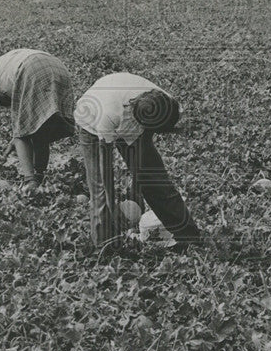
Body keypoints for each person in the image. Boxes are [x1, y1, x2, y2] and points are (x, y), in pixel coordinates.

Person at [74, 72, 202, 251]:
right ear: (138, 119)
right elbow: (106, 168)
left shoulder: (168, 104)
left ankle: (189, 238)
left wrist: (139, 187)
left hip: (123, 103)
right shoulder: (109, 114)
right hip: (91, 121)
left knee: (155, 178)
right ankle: (106, 249)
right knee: (100, 190)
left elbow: (145, 157)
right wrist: (113, 207)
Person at [0, 49, 75, 197]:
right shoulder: (6, 66)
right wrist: (13, 144)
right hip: (58, 67)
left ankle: (30, 182)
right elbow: (31, 126)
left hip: (31, 68)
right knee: (41, 129)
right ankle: (39, 176)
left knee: (20, 131)